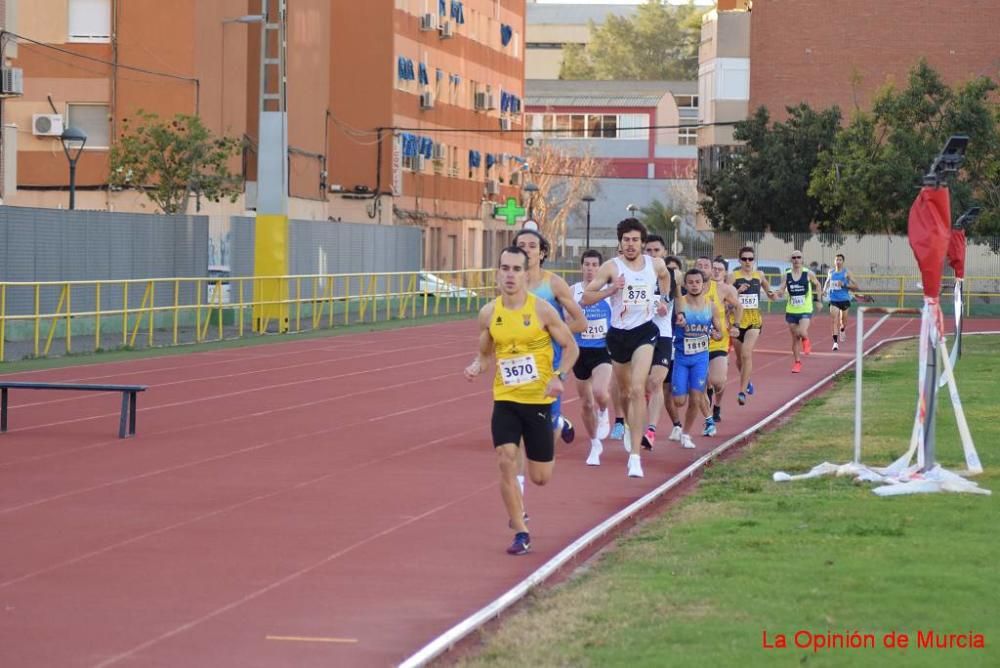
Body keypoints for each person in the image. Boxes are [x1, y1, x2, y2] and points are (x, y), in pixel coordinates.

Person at [464, 246, 579, 556]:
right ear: (497, 273)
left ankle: (559, 423)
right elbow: (485, 353)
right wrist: (477, 366)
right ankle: (520, 531)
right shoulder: (489, 313)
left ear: (526, 274)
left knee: (541, 477)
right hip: (506, 399)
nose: (510, 275)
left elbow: (571, 348)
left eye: (516, 269)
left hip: (539, 401)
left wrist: (559, 376)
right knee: (505, 459)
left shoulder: (542, 310)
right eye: (505, 268)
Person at [583, 218, 673, 478]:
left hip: (644, 332)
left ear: (642, 243)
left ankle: (635, 457)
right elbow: (587, 297)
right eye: (626, 240)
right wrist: (611, 289)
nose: (631, 244)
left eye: (635, 240)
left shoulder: (655, 264)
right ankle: (629, 427)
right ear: (620, 243)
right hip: (618, 336)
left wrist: (663, 298)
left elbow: (666, 276)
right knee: (623, 391)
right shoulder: (612, 267)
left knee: (637, 388)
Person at [514, 229, 586, 448]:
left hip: (549, 361)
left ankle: (558, 423)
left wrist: (553, 331)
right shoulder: (510, 283)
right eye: (521, 246)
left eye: (532, 246)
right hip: (518, 361)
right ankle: (519, 477)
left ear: (542, 253)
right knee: (518, 420)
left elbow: (581, 322)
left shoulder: (554, 284)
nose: (526, 250)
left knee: (544, 436)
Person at [672, 269, 724, 449]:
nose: (694, 285)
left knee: (695, 399)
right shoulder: (681, 303)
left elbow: (719, 332)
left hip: (701, 358)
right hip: (681, 357)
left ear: (703, 284)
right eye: (691, 282)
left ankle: (686, 434)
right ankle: (686, 383)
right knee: (679, 401)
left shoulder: (711, 306)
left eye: (697, 282)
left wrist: (717, 335)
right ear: (686, 285)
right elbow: (677, 310)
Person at [570, 250, 614, 465]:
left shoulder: (608, 291)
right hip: (579, 351)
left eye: (594, 265)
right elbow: (565, 319)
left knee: (600, 392)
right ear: (581, 267)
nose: (590, 269)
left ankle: (605, 411)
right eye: (586, 264)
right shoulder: (572, 291)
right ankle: (595, 443)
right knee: (587, 404)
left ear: (600, 268)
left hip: (602, 350)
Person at [641, 235, 682, 450]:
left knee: (656, 382)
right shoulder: (637, 275)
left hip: (663, 336)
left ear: (664, 253)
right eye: (648, 250)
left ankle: (651, 430)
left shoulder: (673, 275)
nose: (652, 254)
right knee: (639, 386)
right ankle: (630, 423)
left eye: (656, 250)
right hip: (639, 334)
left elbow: (677, 298)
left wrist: (678, 312)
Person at [728, 246, 776, 404]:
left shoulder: (759, 275)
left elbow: (769, 292)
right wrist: (738, 291)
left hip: (754, 320)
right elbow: (726, 298)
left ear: (753, 260)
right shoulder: (732, 277)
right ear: (739, 260)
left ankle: (741, 392)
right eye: (744, 259)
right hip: (736, 322)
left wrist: (773, 295)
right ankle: (746, 379)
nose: (747, 262)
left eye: (750, 259)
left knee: (747, 354)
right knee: (739, 359)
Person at [703, 256, 743, 434]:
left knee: (718, 381)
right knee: (704, 383)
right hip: (699, 342)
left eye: (720, 269)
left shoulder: (727, 289)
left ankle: (717, 404)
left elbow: (738, 307)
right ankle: (708, 418)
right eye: (715, 268)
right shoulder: (697, 285)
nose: (717, 271)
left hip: (720, 340)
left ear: (725, 272)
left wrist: (735, 326)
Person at [776, 250, 824, 373]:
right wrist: (780, 292)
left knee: (802, 331)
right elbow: (781, 288)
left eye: (799, 257)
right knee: (795, 338)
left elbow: (818, 285)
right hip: (791, 310)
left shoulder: (808, 274)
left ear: (802, 260)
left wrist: (818, 300)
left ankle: (806, 340)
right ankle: (797, 363)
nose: (796, 260)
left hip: (805, 309)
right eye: (794, 258)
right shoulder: (787, 275)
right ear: (791, 260)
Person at [824, 253, 859, 350]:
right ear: (834, 261)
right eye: (836, 260)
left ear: (843, 262)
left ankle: (842, 329)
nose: (838, 262)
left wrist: (843, 285)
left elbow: (856, 286)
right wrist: (824, 290)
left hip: (844, 299)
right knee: (834, 320)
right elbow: (827, 281)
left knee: (843, 321)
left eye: (840, 260)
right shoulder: (830, 272)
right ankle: (835, 343)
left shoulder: (846, 273)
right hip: (833, 299)